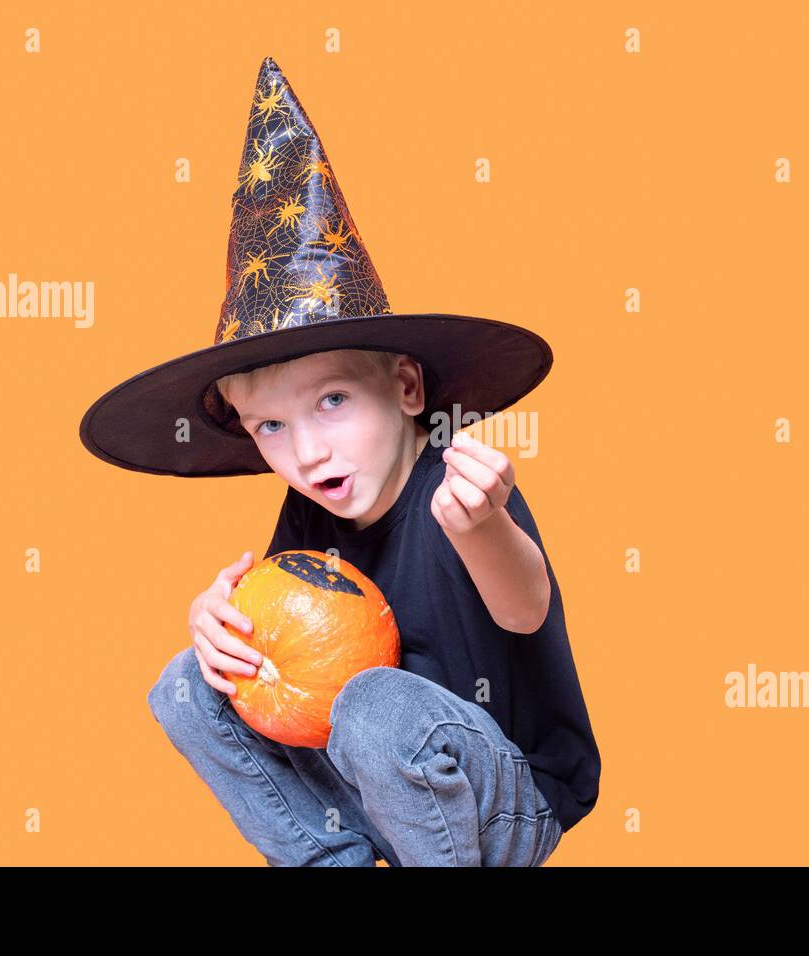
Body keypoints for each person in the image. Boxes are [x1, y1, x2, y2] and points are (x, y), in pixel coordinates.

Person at [78, 56, 599, 866]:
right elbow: (296, 660)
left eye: (331, 402)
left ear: (405, 384)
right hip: (363, 791)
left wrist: (486, 524)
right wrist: (227, 633)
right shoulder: (313, 511)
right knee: (185, 685)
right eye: (271, 427)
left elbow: (525, 606)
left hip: (500, 801)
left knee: (376, 704)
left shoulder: (455, 489)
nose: (308, 449)